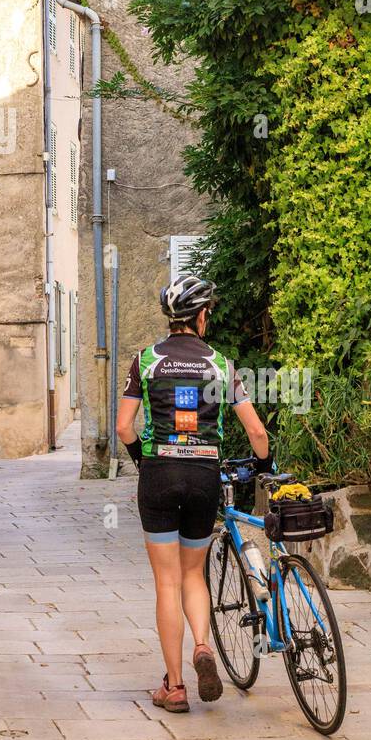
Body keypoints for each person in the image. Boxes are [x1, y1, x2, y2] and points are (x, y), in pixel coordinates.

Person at [117, 272, 273, 714]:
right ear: (201, 317)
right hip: (204, 474)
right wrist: (263, 467)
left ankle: (175, 686)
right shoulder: (221, 366)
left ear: (171, 318)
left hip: (159, 473)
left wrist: (141, 460)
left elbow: (124, 426)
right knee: (193, 574)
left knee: (166, 580)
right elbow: (256, 431)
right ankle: (203, 645)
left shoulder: (145, 361)